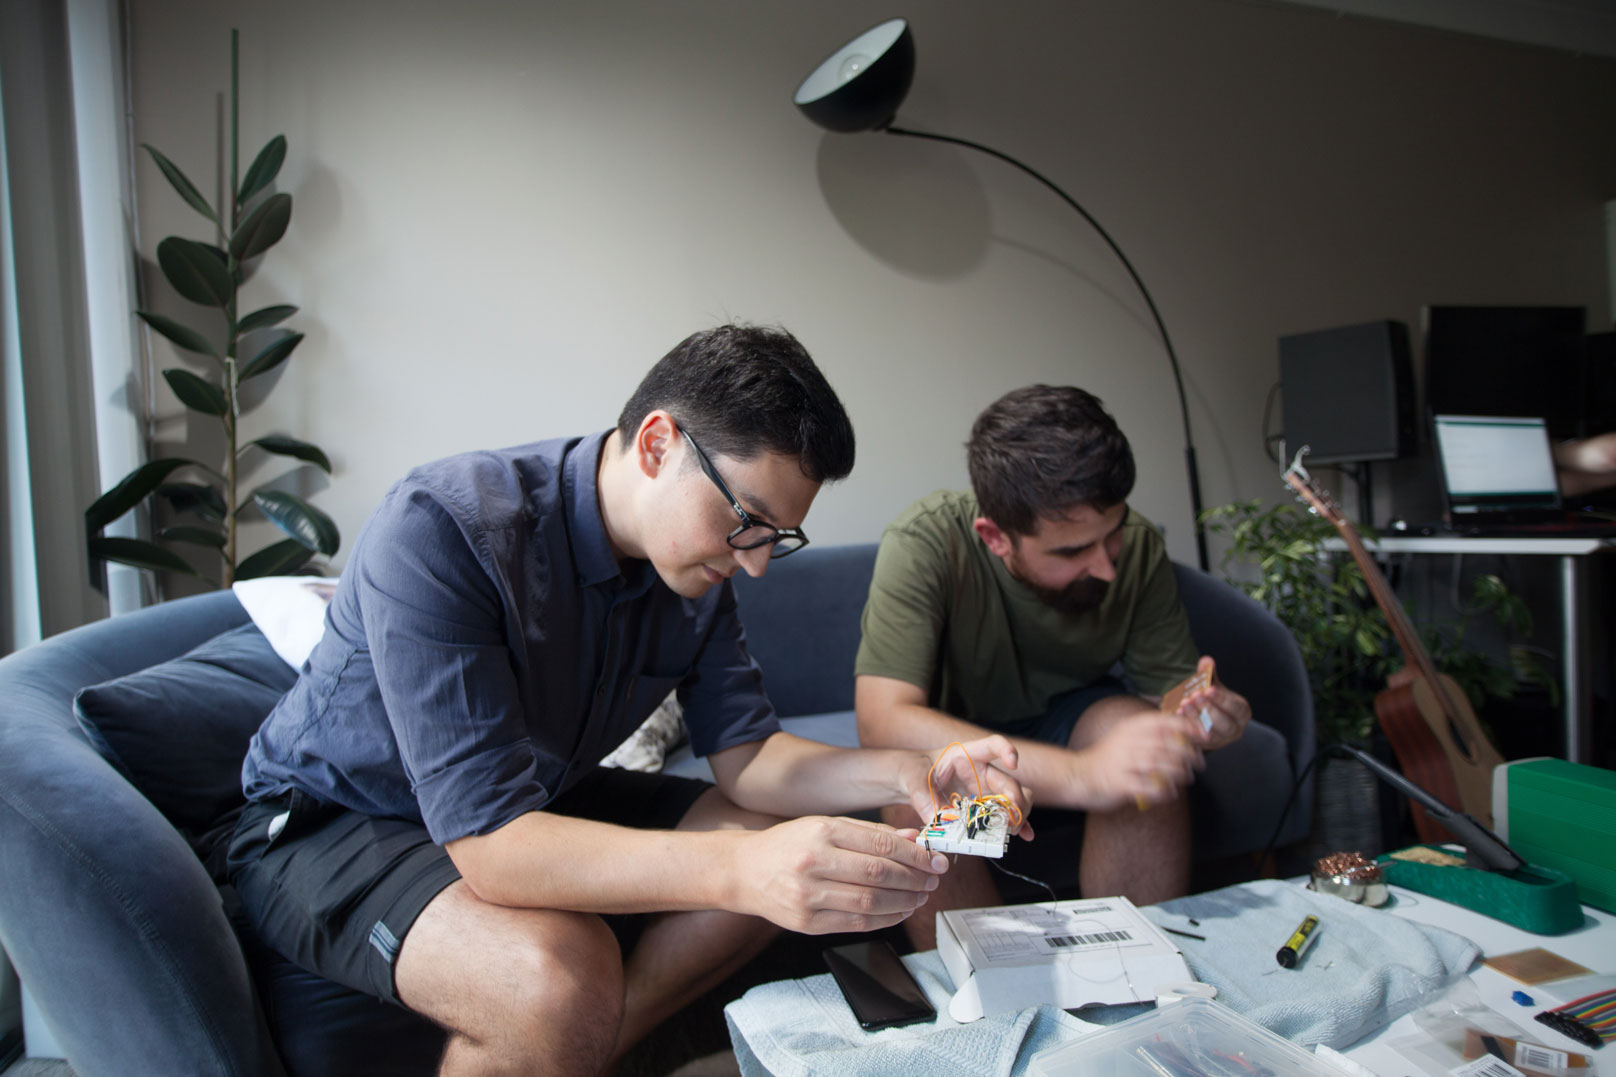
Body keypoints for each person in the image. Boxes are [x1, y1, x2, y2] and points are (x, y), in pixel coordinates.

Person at [227, 325, 1030, 1075]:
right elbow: (494, 843)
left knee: (775, 832)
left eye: (776, 538)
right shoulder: (445, 528)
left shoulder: (694, 571)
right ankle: (576, 1026)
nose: (756, 565)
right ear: (657, 444)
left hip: (535, 794)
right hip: (332, 821)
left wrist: (908, 773)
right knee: (555, 977)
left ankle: (594, 1045)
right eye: (749, 521)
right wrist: (743, 869)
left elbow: (749, 760)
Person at [854, 384, 1251, 950]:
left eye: (1111, 535)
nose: (1107, 567)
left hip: (1070, 714)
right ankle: (990, 992)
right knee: (916, 782)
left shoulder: (1135, 550)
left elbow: (1174, 696)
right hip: (960, 737)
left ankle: (1130, 966)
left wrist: (1210, 717)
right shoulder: (926, 542)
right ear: (995, 538)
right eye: (1071, 553)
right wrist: (1086, 777)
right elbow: (883, 720)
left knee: (1140, 742)